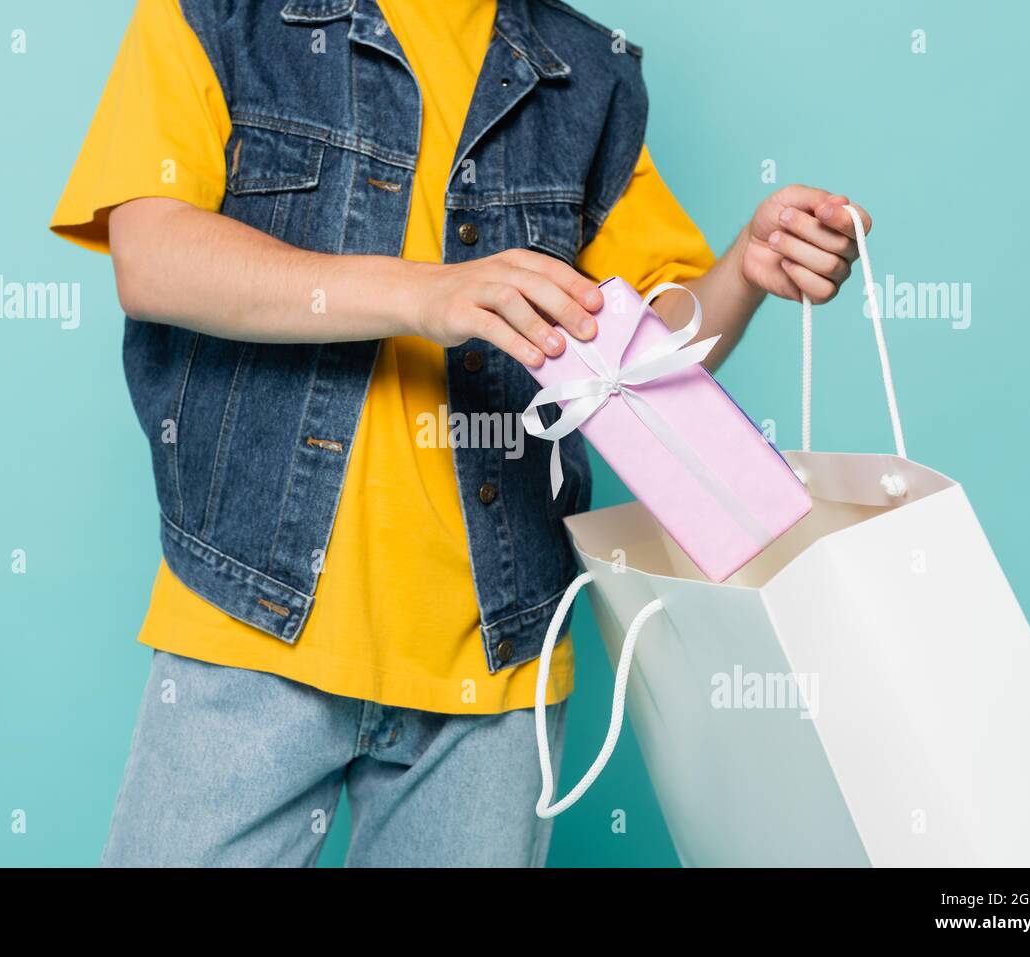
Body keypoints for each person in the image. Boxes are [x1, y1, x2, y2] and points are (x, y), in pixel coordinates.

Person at [50, 0, 871, 867]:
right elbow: (152, 256)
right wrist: (424, 292)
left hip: (497, 666)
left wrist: (743, 269)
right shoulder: (218, 17)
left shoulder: (585, 71)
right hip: (247, 619)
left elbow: (648, 349)